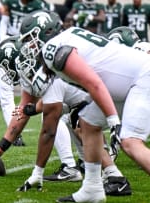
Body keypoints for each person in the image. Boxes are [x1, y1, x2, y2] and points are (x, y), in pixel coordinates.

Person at [15, 9, 150, 202]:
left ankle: (83, 174)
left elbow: (93, 84)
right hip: (126, 84)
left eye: (30, 39)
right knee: (87, 123)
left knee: (130, 142)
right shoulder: (68, 37)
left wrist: (113, 121)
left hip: (141, 79)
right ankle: (92, 188)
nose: (28, 47)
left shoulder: (53, 49)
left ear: (45, 32)